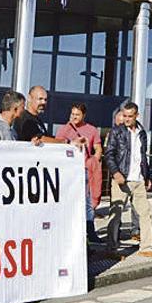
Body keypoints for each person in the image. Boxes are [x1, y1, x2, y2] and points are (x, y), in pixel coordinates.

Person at [105, 102, 152, 258]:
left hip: (139, 180)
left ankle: (147, 247)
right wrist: (115, 173)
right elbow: (109, 154)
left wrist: (147, 176)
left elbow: (143, 157)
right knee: (116, 214)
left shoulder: (142, 133)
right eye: (125, 115)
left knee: (145, 213)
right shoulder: (117, 132)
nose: (126, 119)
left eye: (130, 116)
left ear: (137, 115)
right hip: (122, 179)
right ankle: (111, 248)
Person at [56, 103, 104, 244]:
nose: (74, 117)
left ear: (84, 115)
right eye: (72, 114)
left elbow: (98, 148)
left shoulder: (92, 130)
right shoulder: (64, 130)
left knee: (87, 202)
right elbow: (57, 146)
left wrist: (94, 160)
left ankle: (90, 231)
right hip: (69, 171)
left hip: (84, 170)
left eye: (77, 114)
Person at [14, 86, 85, 148]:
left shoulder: (37, 120)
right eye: (40, 99)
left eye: (45, 99)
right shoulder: (25, 119)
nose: (44, 102)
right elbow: (42, 139)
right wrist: (68, 142)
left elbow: (46, 138)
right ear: (29, 98)